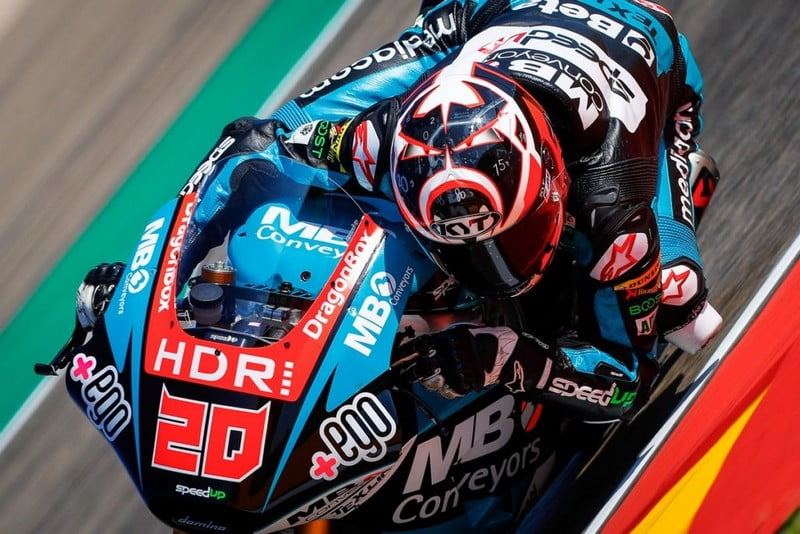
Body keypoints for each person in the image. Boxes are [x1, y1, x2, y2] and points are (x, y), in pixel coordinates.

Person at [78, 0, 722, 422]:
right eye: (468, 246)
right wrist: (152, 278)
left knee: (681, 308)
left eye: (505, 237)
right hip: (483, 16)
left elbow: (627, 381)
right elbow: (248, 145)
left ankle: (683, 194)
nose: (492, 268)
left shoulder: (614, 206)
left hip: (643, 49)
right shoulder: (377, 142)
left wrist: (517, 359)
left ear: (549, 182)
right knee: (270, 140)